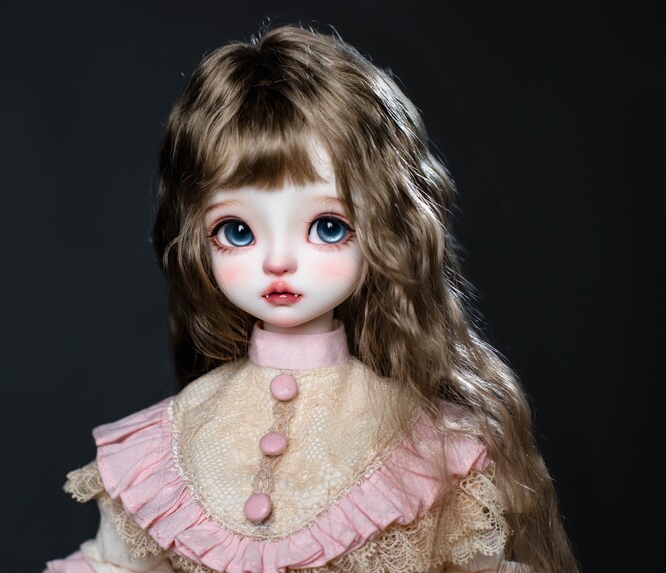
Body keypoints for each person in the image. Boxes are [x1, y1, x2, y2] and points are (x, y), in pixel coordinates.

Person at [43, 22, 579, 573]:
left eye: (327, 227)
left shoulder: (427, 447)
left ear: (386, 226)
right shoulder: (173, 445)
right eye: (237, 231)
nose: (278, 261)